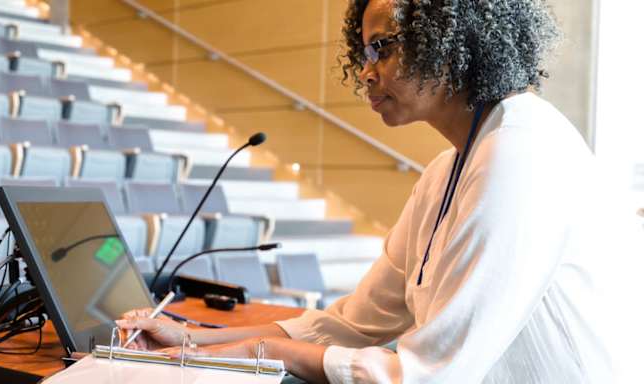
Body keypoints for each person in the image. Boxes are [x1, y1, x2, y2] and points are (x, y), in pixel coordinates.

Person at [116, 0, 642, 382]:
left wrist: (269, 351)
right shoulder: (447, 170)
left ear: (450, 34)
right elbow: (352, 323)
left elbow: (428, 375)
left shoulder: (521, 151)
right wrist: (194, 339)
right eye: (363, 52)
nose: (365, 73)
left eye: (382, 48)